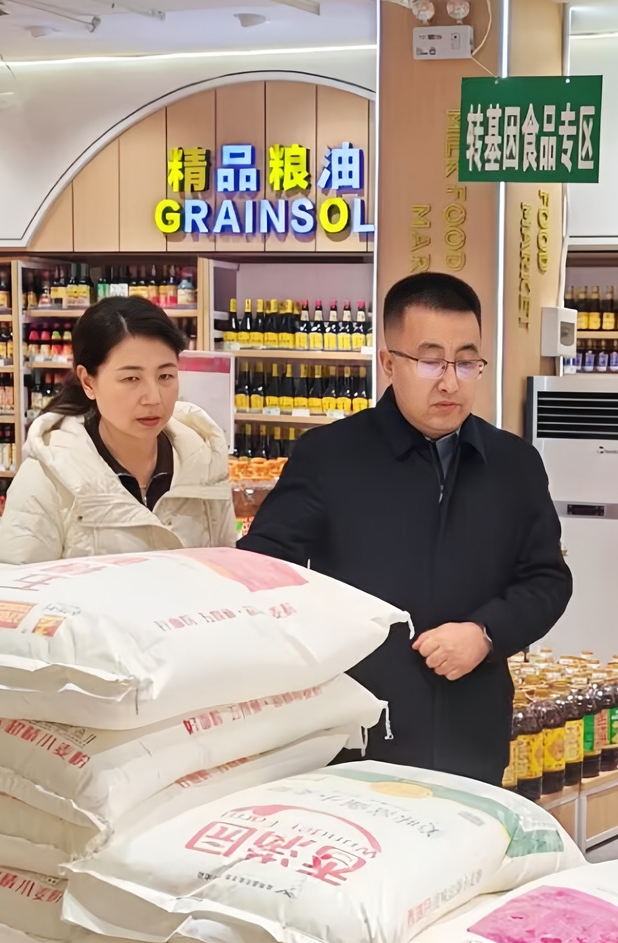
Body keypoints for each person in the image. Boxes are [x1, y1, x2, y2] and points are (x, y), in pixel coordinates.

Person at [239, 272, 571, 785]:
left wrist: (486, 633)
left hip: (472, 725)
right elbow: (264, 568)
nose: (451, 382)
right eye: (431, 361)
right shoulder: (329, 456)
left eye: (466, 362)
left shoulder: (513, 463)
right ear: (389, 363)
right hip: (355, 727)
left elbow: (547, 579)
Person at [0, 296, 235, 565]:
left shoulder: (205, 459)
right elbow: (15, 584)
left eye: (165, 376)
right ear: (88, 382)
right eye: (131, 378)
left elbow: (226, 568)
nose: (153, 398)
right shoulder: (46, 476)